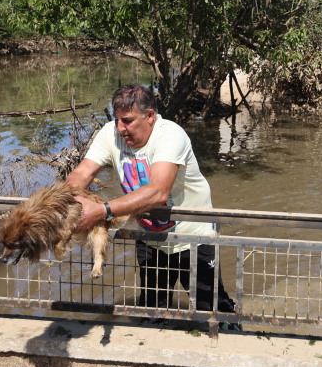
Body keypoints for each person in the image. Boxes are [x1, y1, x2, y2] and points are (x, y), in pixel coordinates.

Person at [66, 83, 237, 323]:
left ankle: (234, 334)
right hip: (150, 237)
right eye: (117, 120)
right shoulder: (110, 134)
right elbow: (80, 175)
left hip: (194, 236)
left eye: (127, 121)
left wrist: (102, 210)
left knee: (212, 311)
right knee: (152, 312)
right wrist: (63, 204)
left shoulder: (169, 134)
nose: (120, 128)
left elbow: (158, 192)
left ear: (150, 116)